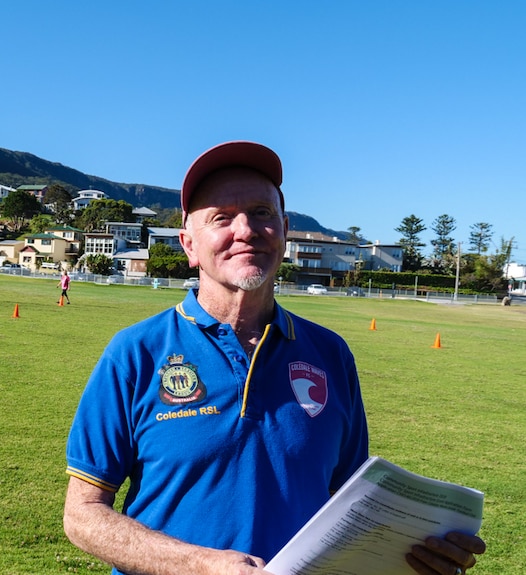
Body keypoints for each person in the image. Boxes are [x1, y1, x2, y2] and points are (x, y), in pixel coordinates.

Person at [63, 141, 485, 575]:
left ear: (283, 231)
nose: (245, 230)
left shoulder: (330, 354)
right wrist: (201, 565)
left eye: (262, 213)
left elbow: (353, 508)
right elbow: (82, 515)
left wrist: (416, 552)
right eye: (221, 217)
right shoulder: (135, 352)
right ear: (189, 245)